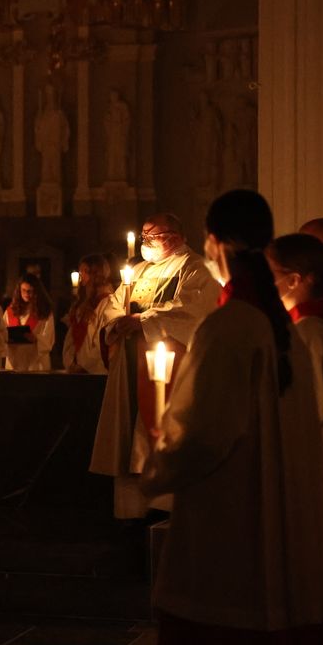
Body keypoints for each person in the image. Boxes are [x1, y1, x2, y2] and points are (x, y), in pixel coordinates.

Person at [142, 190, 323, 645]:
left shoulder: (228, 328)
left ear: (213, 243)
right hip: (278, 525)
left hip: (232, 536)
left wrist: (161, 454)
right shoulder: (284, 326)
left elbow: (201, 439)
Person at [90, 213, 221, 519]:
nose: (144, 243)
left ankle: (165, 508)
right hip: (130, 362)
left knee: (162, 430)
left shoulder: (196, 268)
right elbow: (112, 306)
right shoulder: (138, 270)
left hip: (168, 362)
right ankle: (131, 511)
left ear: (174, 237)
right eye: (143, 236)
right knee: (128, 434)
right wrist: (116, 324)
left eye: (151, 237)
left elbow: (195, 311)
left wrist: (142, 321)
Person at [268, 233, 323, 637]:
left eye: (274, 276)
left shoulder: (310, 337)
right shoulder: (310, 332)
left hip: (314, 482)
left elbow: (311, 418)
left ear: (298, 280)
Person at [62, 254, 114, 374]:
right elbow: (72, 336)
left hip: (95, 370)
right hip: (76, 367)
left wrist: (85, 366)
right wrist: (70, 362)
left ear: (96, 273)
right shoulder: (82, 305)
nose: (81, 275)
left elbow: (102, 340)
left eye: (85, 271)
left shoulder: (108, 303)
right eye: (80, 271)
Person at [4, 273, 55, 372]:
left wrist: (36, 339)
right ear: (19, 291)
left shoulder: (44, 312)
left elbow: (49, 338)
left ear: (37, 292)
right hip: (14, 361)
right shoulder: (10, 311)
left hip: (36, 363)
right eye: (23, 290)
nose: (27, 294)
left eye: (30, 291)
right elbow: (2, 333)